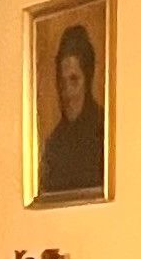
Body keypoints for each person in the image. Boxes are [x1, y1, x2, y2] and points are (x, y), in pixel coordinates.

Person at [37, 23, 106, 197]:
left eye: (74, 80)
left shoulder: (105, 134)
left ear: (87, 79)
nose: (67, 92)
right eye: (62, 81)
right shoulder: (54, 144)